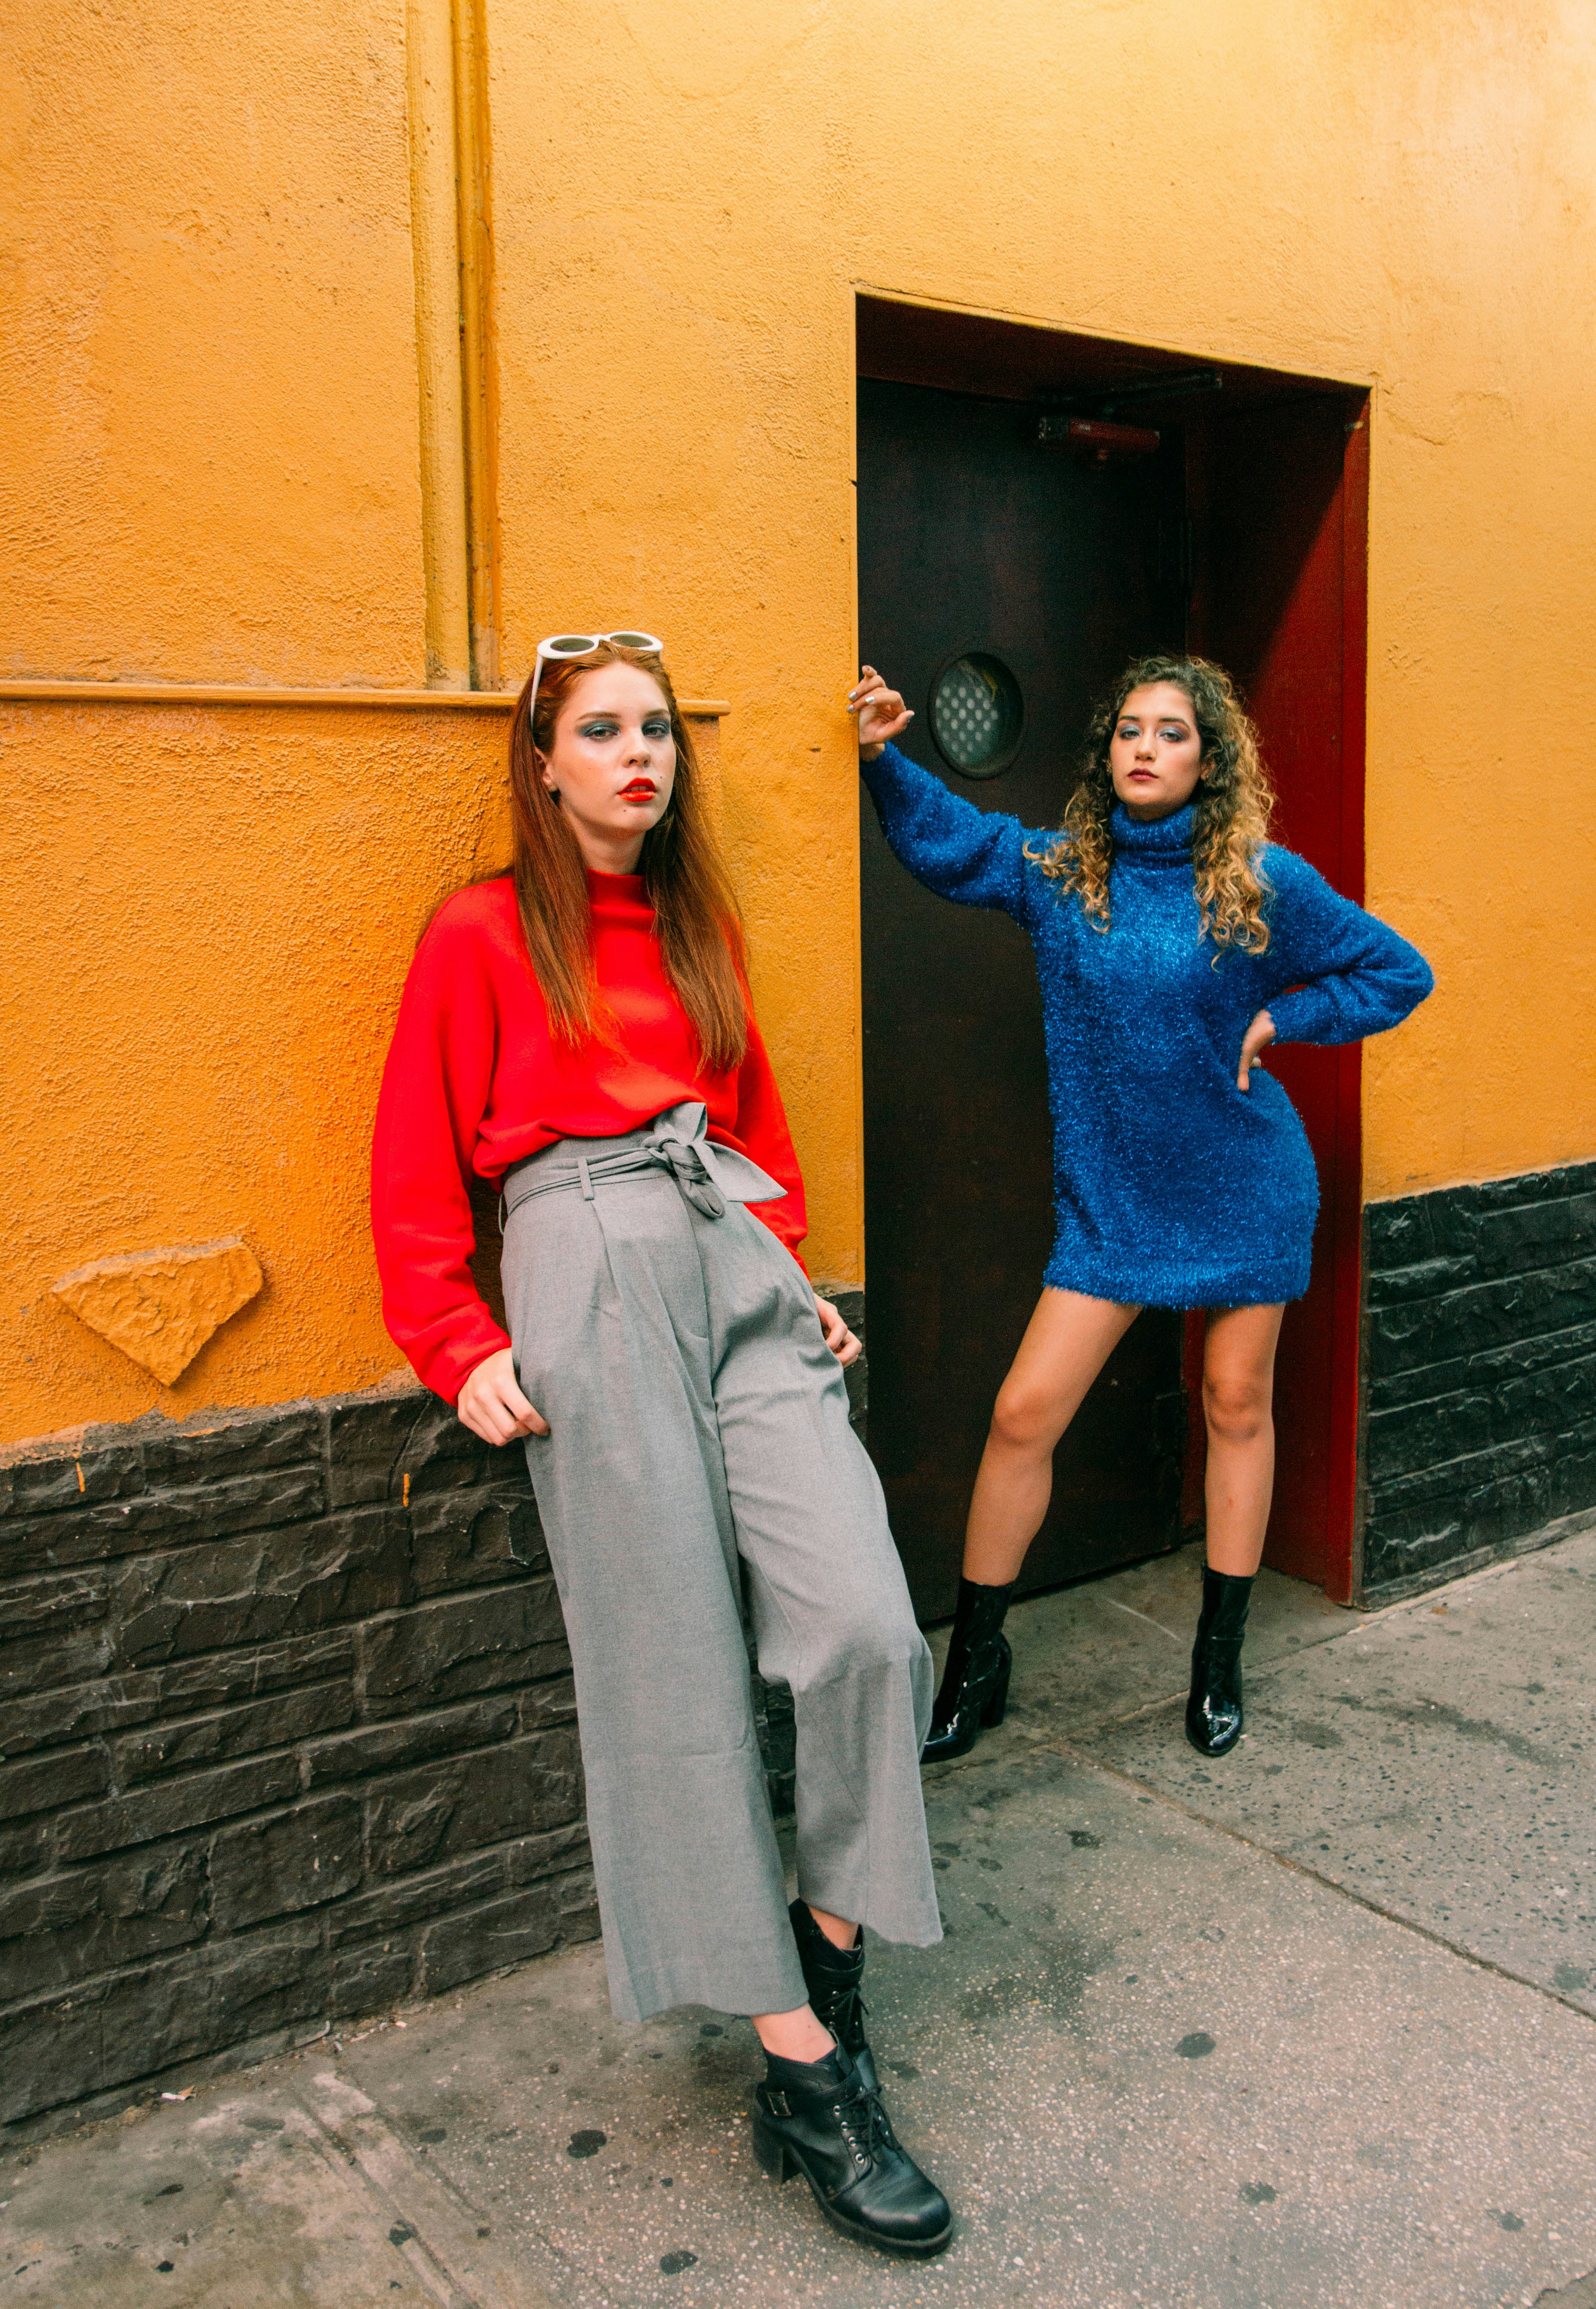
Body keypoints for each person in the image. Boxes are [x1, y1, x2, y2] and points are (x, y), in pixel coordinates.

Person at [372, 633, 952, 2258]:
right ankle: (806, 2068)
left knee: (865, 1629)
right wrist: (453, 1338)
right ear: (544, 761)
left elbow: (754, 1118)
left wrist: (791, 1274)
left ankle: (823, 1961)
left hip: (733, 1258)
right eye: (602, 730)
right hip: (581, 1261)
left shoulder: (699, 925)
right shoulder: (482, 931)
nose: (639, 754)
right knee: (670, 1670)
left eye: (657, 731)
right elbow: (414, 1152)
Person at [854, 653, 1432, 1763]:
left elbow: (1396, 972)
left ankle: (1217, 1661)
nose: (1145, 748)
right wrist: (883, 757)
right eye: (1129, 729)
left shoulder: (1261, 881)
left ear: (1209, 761)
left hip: (1245, 1182)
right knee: (1024, 1415)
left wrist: (1284, 1020)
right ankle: (977, 1662)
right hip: (1114, 1204)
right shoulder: (1062, 874)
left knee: (1234, 1401)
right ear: (1107, 750)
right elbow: (951, 845)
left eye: (1172, 732)